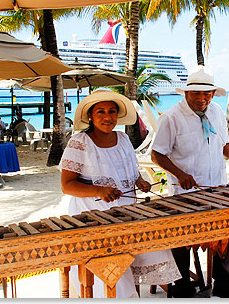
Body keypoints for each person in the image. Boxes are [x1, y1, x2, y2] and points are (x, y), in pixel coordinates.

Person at [60, 90, 181, 298]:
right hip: (94, 218)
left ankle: (177, 288)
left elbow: (130, 170)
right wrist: (98, 190)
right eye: (100, 112)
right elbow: (67, 185)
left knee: (157, 249)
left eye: (112, 111)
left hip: (125, 215)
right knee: (114, 273)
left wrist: (140, 181)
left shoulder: (123, 138)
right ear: (90, 115)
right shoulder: (79, 141)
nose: (107, 117)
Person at [151, 65, 229, 298]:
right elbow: (157, 154)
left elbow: (223, 143)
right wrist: (179, 174)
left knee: (222, 236)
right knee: (182, 240)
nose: (202, 98)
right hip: (184, 192)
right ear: (186, 93)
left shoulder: (216, 111)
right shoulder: (172, 117)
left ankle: (224, 285)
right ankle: (182, 286)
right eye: (196, 93)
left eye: (207, 93)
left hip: (216, 186)